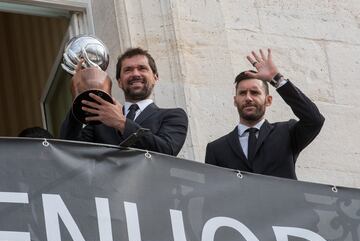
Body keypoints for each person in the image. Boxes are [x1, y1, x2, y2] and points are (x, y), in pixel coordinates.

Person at [205, 48, 325, 179]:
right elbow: (213, 192)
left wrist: (277, 79)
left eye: (255, 92)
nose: (248, 98)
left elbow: (314, 120)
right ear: (235, 101)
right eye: (242, 93)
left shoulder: (286, 132)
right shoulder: (216, 149)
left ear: (268, 100)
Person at [60, 47, 188, 156]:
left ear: (155, 77)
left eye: (142, 68)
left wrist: (121, 123)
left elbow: (166, 150)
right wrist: (80, 92)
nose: (135, 74)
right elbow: (68, 148)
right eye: (128, 70)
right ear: (119, 82)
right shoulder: (100, 120)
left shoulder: (173, 116)